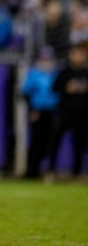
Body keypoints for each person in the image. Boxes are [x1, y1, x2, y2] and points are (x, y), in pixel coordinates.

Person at [48, 44, 88, 178]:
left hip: (82, 114)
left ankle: (77, 172)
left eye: (80, 54)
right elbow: (54, 88)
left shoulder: (86, 72)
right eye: (75, 54)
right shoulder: (64, 72)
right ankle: (51, 170)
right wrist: (67, 88)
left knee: (79, 143)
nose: (77, 57)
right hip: (64, 112)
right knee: (55, 141)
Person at [21, 46, 59, 178]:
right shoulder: (34, 74)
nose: (46, 62)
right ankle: (32, 171)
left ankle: (48, 170)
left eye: (48, 59)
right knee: (36, 141)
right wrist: (32, 109)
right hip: (38, 112)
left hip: (52, 111)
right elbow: (25, 93)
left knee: (49, 142)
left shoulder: (55, 74)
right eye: (44, 59)